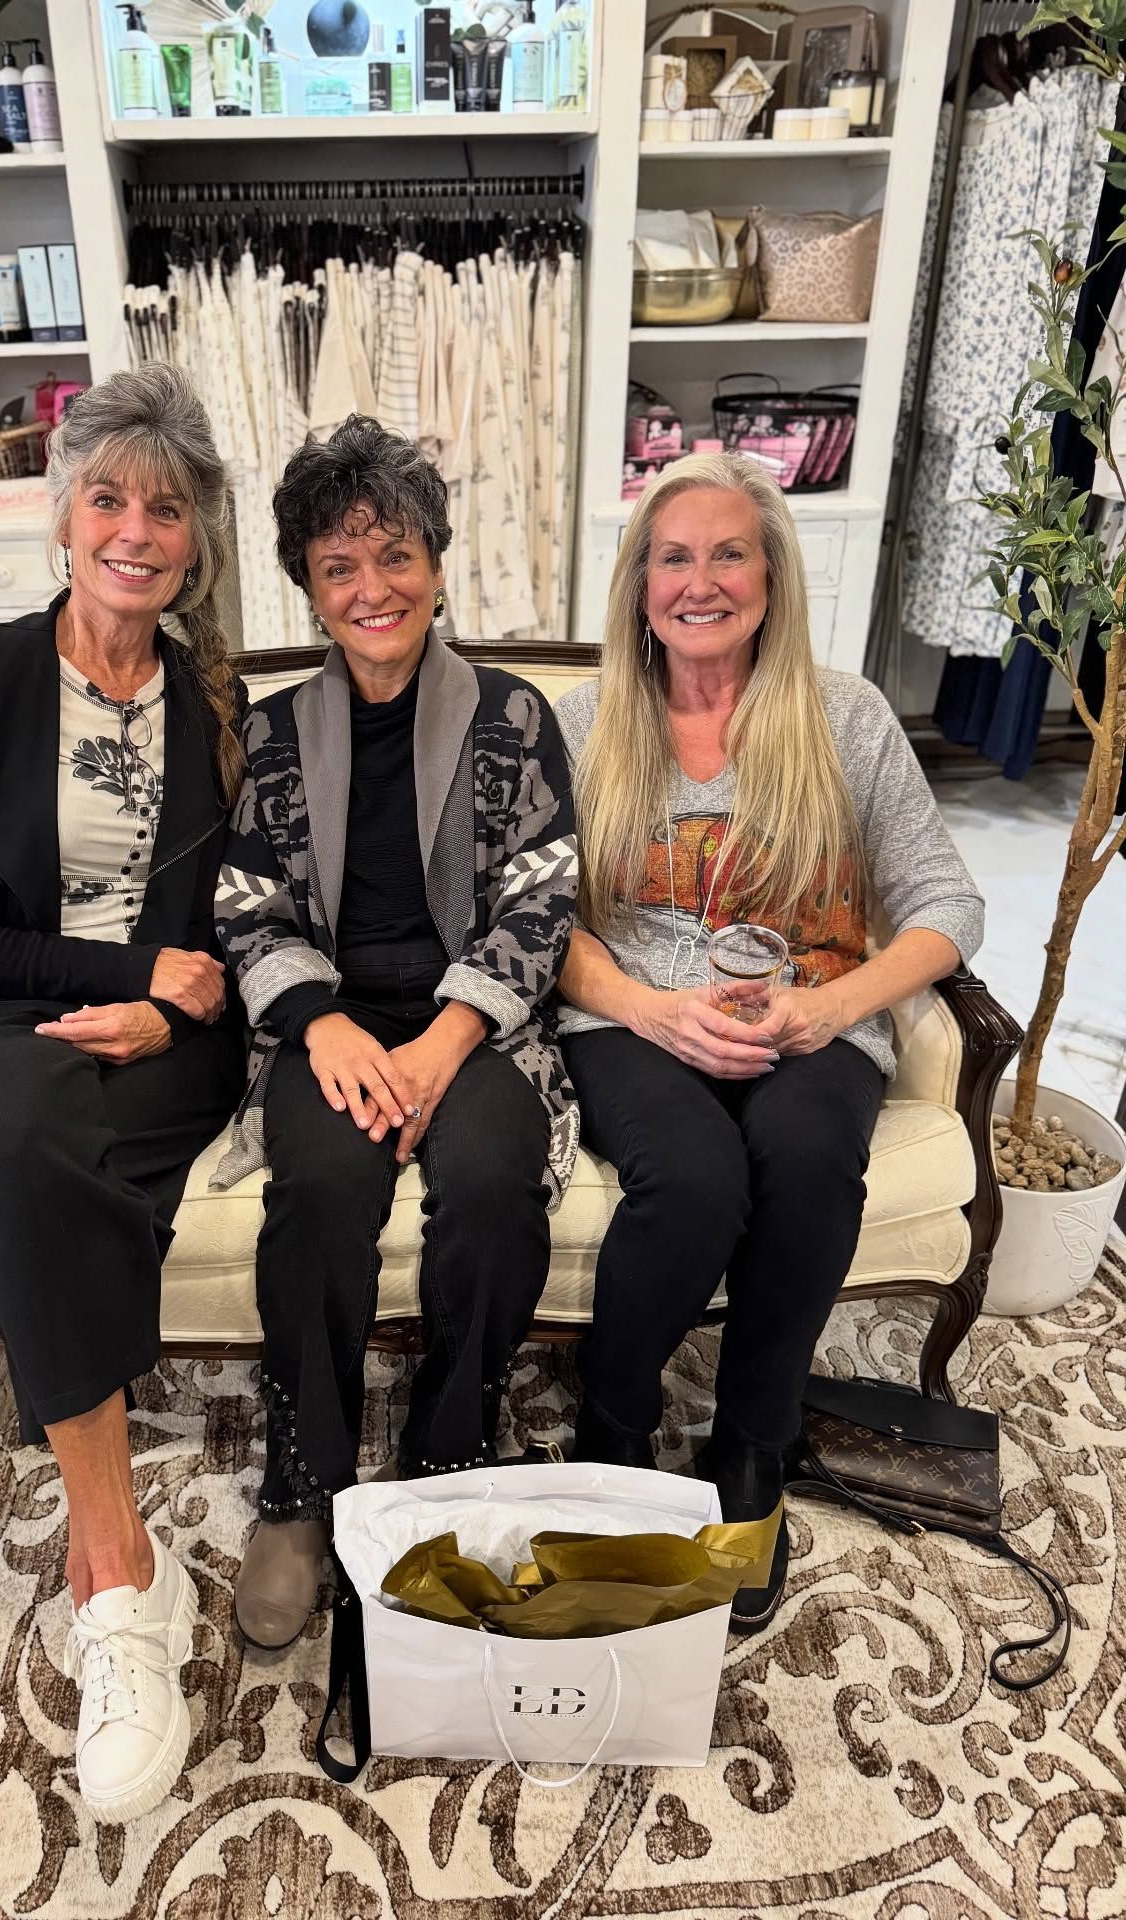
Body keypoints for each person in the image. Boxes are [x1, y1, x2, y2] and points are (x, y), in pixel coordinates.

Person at [0, 364, 247, 1823]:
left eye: (165, 508)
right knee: (28, 1142)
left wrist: (174, 1008)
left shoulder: (221, 705)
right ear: (61, 514)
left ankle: (115, 1586)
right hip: (1, 1030)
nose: (134, 531)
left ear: (195, 541)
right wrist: (119, 966)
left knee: (49, 1153)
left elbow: (242, 925)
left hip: (172, 1044)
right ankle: (121, 1581)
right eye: (107, 497)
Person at [556, 452, 985, 1633]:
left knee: (805, 1165)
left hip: (815, 1016)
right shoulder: (581, 721)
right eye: (674, 557)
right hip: (634, 1015)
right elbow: (534, 921)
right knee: (691, 1181)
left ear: (771, 573)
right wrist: (649, 1009)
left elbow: (950, 907)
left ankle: (754, 1448)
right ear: (641, 584)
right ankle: (617, 1418)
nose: (702, 581)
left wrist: (838, 1008)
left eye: (728, 552)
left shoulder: (844, 715)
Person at [212, 415, 579, 1651]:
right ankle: (300, 1484)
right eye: (339, 566)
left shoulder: (515, 719)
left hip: (472, 1018)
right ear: (310, 587)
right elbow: (246, 908)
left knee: (484, 1177)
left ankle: (444, 1460)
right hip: (328, 1022)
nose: (373, 589)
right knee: (318, 1183)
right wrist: (318, 1026)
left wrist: (446, 1037)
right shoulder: (269, 737)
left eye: (395, 556)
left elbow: (544, 900)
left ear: (436, 560)